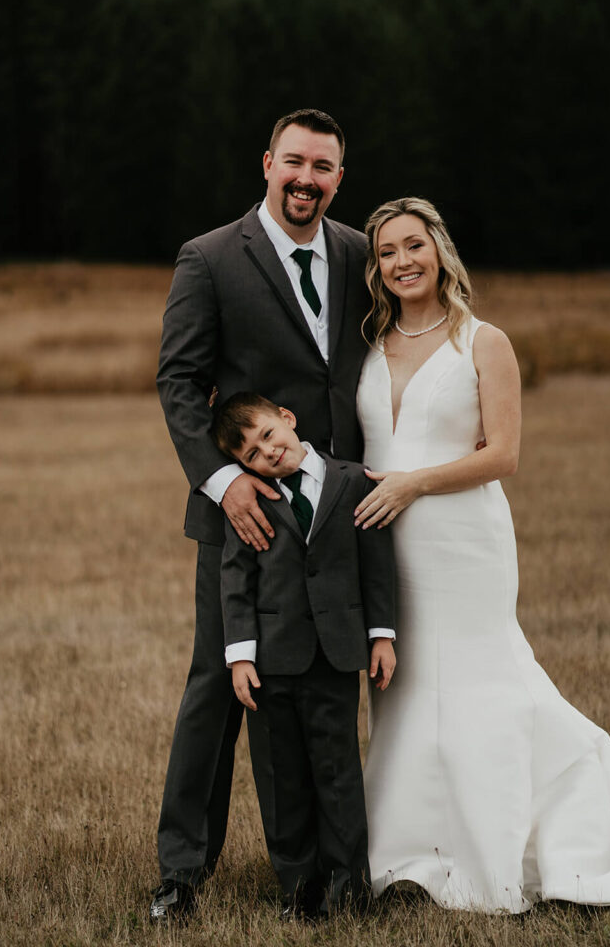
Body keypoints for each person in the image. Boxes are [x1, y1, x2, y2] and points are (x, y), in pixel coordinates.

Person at [355, 196, 610, 913]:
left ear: (439, 251)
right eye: (386, 251)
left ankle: (505, 844)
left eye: (412, 246)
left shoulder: (481, 341)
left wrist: (414, 483)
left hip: (461, 541)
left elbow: (505, 454)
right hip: (381, 545)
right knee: (401, 688)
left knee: (481, 684)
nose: (401, 261)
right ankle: (407, 853)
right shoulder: (367, 346)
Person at [152, 109, 371, 922]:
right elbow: (178, 382)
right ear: (267, 163)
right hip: (245, 519)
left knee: (327, 695)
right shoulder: (209, 258)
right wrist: (222, 483)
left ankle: (335, 867)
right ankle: (181, 874)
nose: (306, 179)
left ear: (338, 179)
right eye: (294, 162)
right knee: (217, 687)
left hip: (339, 518)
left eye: (323, 167)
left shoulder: (357, 252)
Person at [213, 392, 396, 919]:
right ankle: (300, 891)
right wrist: (240, 657)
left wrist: (380, 636)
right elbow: (236, 578)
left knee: (338, 773)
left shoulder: (353, 481)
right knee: (281, 778)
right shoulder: (250, 500)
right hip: (271, 662)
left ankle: (350, 889)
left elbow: (375, 565)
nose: (266, 453)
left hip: (335, 655)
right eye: (250, 454)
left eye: (268, 435)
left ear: (287, 420)